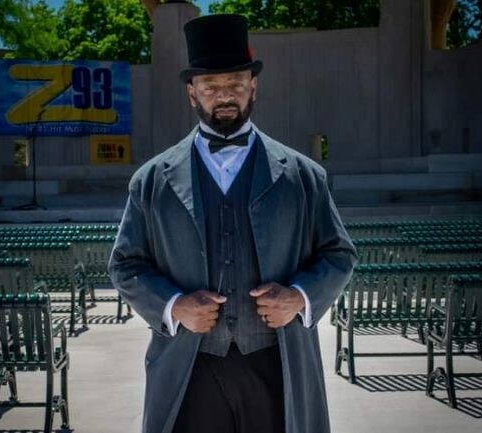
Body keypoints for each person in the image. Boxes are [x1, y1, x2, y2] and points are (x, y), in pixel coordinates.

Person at [108, 13, 357, 433]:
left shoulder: (303, 175)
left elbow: (339, 253)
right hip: (190, 366)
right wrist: (175, 306)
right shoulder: (151, 180)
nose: (225, 96)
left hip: (277, 364)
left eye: (235, 84)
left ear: (253, 86)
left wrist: (299, 297)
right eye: (211, 87)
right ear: (192, 93)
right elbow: (125, 265)